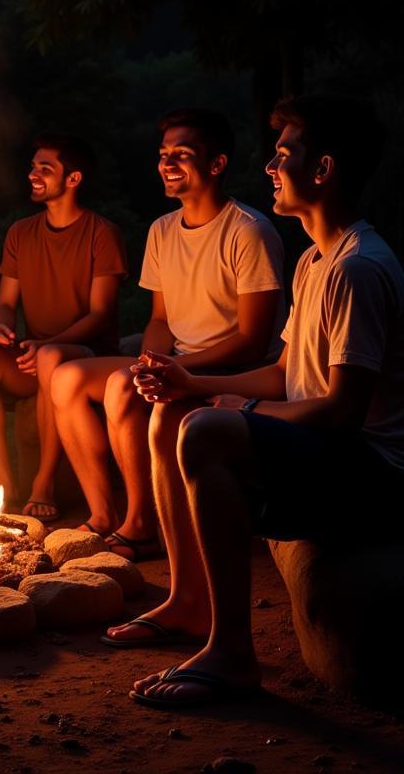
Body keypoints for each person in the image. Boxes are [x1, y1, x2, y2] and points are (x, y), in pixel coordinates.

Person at [117, 94, 404, 709]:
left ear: (322, 170)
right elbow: (284, 371)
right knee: (181, 412)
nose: (271, 167)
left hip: (374, 476)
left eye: (283, 154)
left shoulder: (359, 268)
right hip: (332, 453)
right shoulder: (314, 262)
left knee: (205, 432)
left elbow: (342, 412)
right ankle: (189, 600)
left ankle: (233, 654)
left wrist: (234, 411)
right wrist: (193, 385)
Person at [49, 109, 284, 559]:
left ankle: (140, 525)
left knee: (121, 386)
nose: (167, 163)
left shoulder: (248, 231)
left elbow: (254, 339)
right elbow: (159, 319)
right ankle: (102, 517)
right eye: (162, 155)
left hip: (234, 368)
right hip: (180, 357)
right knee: (67, 378)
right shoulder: (162, 230)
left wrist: (173, 369)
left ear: (216, 165)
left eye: (182, 154)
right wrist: (151, 362)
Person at [0, 134, 127, 517]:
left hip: (85, 357)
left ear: (73, 179)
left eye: (45, 168)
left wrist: (47, 344)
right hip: (33, 355)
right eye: (33, 166)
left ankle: (44, 482)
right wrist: (2, 328)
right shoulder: (21, 233)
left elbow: (99, 314)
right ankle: (6, 483)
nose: (33, 174)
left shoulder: (102, 234)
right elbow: (4, 303)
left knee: (51, 355)